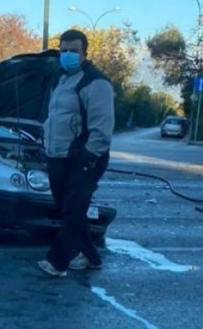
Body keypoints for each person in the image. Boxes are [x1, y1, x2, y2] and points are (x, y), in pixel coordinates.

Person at [37, 29, 115, 277]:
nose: (68, 55)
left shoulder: (95, 82)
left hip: (84, 158)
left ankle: (57, 261)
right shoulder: (60, 80)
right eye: (64, 51)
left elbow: (102, 127)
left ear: (84, 53)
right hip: (57, 156)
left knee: (73, 210)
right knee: (68, 209)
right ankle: (91, 257)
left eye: (73, 51)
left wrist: (89, 157)